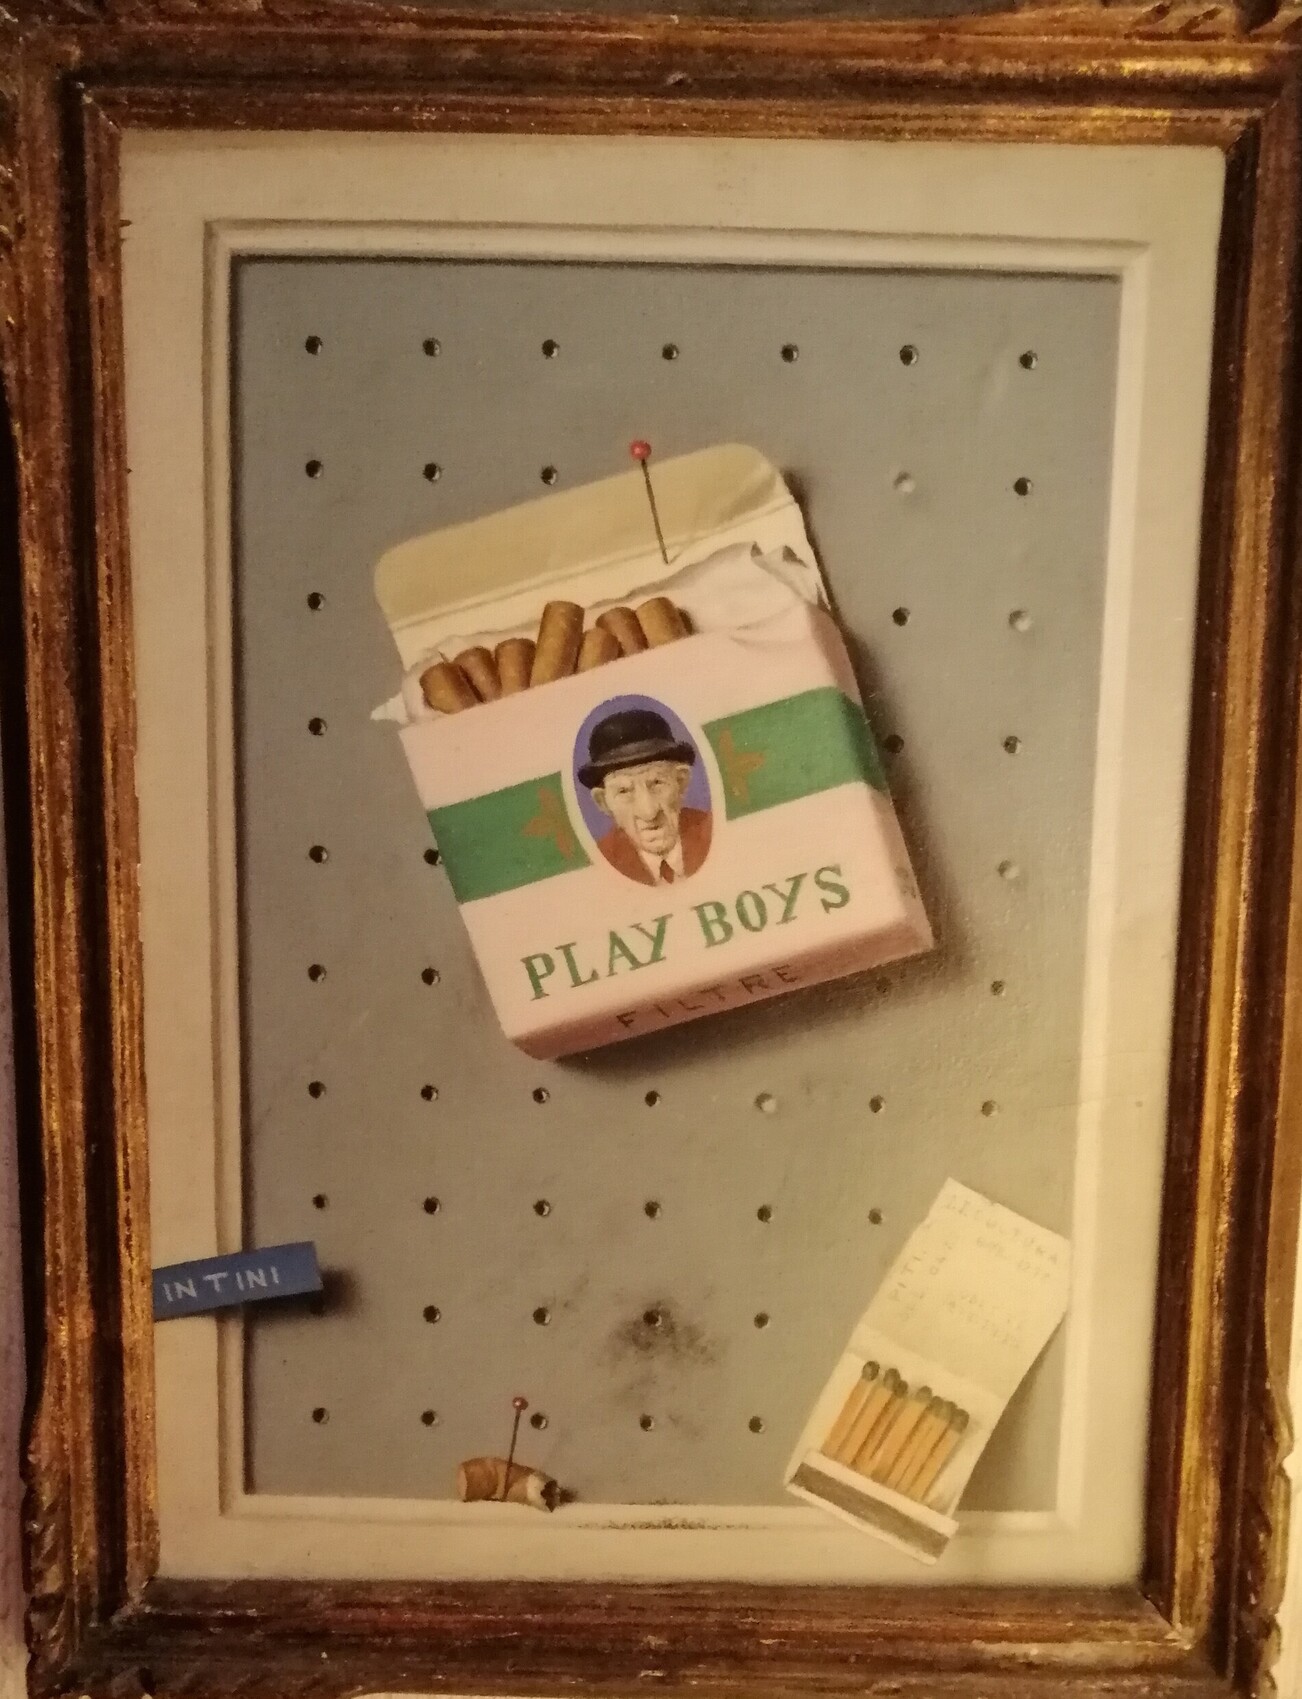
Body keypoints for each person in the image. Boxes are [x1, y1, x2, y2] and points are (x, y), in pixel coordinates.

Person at [577, 708, 712, 886]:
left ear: (680, 782)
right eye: (624, 791)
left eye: (657, 783)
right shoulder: (599, 866)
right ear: (603, 802)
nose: (648, 812)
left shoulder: (713, 832)